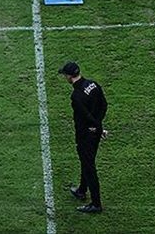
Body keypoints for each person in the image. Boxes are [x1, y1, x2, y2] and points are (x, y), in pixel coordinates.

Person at [59, 61, 107, 214]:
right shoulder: (93, 84)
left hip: (85, 135)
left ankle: (96, 203)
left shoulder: (77, 96)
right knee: (86, 162)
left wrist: (96, 127)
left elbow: (85, 116)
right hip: (94, 133)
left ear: (69, 76)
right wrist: (98, 126)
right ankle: (81, 190)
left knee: (89, 166)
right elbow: (104, 105)